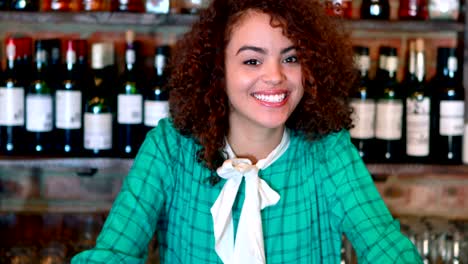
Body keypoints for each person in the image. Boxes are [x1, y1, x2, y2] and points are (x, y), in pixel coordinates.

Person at [72, 0, 422, 263]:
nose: (275, 76)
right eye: (252, 60)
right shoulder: (169, 148)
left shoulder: (328, 151)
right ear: (218, 71)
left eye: (291, 58)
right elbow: (114, 252)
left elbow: (385, 247)